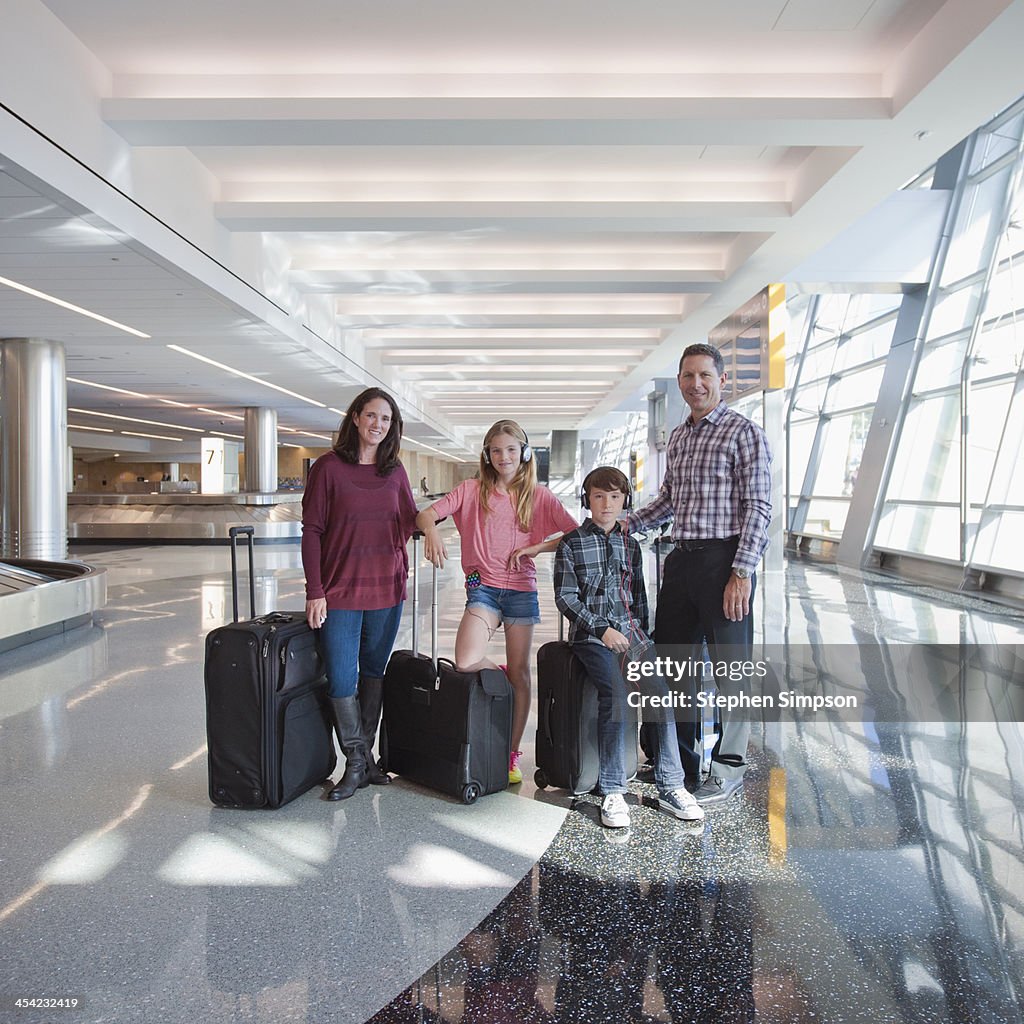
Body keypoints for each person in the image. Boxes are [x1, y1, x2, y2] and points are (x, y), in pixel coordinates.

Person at [624, 343, 771, 807]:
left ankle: (727, 767)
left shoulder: (744, 433)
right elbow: (669, 501)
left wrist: (741, 573)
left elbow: (759, 507)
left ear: (721, 380)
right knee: (674, 666)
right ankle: (680, 764)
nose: (696, 384)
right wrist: (625, 523)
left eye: (704, 375)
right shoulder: (680, 437)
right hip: (682, 562)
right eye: (687, 376)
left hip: (726, 563)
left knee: (730, 672)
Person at [417, 419, 577, 784]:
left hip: (521, 590)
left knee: (521, 671)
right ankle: (499, 679)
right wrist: (431, 532)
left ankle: (511, 753)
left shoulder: (540, 496)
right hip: (483, 588)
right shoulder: (471, 490)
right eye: (495, 450)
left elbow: (574, 534)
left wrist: (536, 546)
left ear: (523, 453)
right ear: (487, 455)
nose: (503, 456)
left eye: (510, 449)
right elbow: (427, 513)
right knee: (467, 659)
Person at [554, 467, 704, 829]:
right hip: (592, 638)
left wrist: (642, 640)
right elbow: (565, 597)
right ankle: (612, 791)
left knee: (659, 695)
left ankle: (672, 785)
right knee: (618, 697)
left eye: (615, 497)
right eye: (599, 496)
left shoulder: (630, 544)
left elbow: (637, 598)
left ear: (626, 501)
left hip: (633, 636)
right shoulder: (571, 543)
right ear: (586, 499)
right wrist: (602, 629)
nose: (607, 504)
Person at [302, 386, 418, 801]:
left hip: (387, 588)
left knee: (373, 671)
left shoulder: (395, 471)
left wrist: (436, 527)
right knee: (340, 677)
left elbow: (410, 519)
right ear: (355, 418)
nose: (378, 425)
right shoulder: (329, 468)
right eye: (371, 416)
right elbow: (312, 531)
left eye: (386, 420)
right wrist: (315, 591)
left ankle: (363, 762)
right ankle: (354, 760)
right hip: (340, 592)